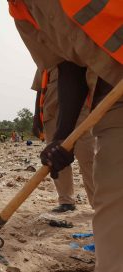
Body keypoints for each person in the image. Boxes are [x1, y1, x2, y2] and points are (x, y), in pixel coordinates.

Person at [0, 0, 123, 272]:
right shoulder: (23, 12)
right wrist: (61, 139)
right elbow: (68, 66)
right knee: (111, 194)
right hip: (111, 91)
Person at [32, 67, 95, 212]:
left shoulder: (75, 49)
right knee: (57, 158)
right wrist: (37, 117)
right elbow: (39, 90)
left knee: (88, 156)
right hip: (51, 113)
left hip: (80, 112)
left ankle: (98, 202)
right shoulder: (44, 59)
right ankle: (66, 201)